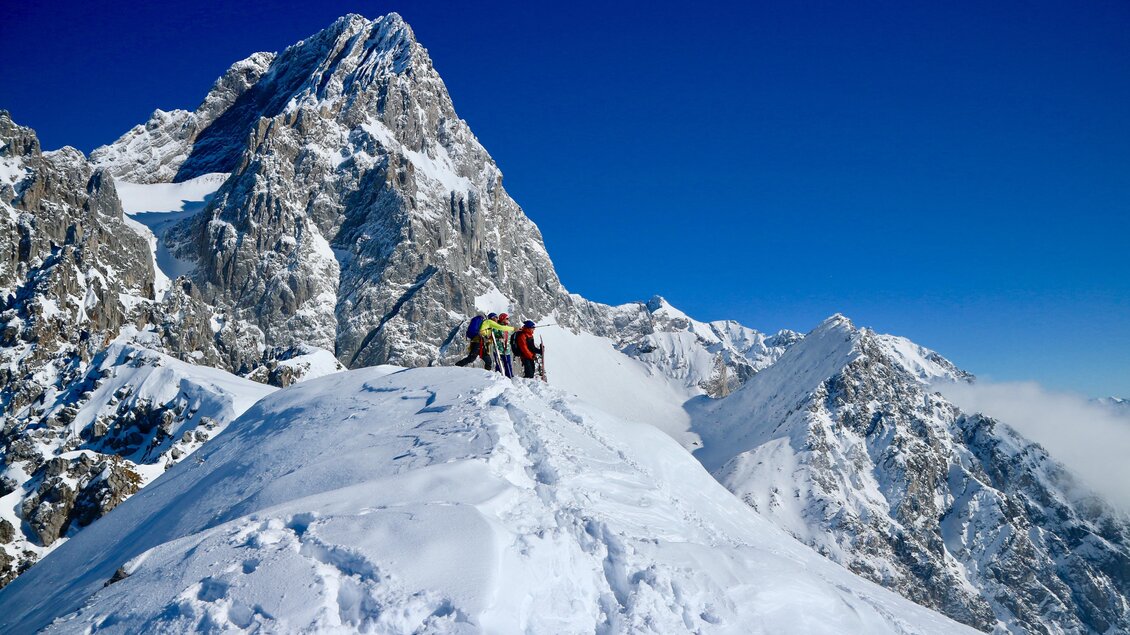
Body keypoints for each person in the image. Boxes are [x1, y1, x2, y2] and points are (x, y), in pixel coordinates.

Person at [495, 313, 515, 377]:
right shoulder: (497, 327)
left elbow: (512, 332)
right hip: (499, 349)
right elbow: (493, 335)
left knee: (508, 364)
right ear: (502, 319)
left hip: (506, 350)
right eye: (506, 318)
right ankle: (499, 377)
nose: (507, 320)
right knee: (499, 364)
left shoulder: (507, 328)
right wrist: (498, 338)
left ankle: (509, 376)